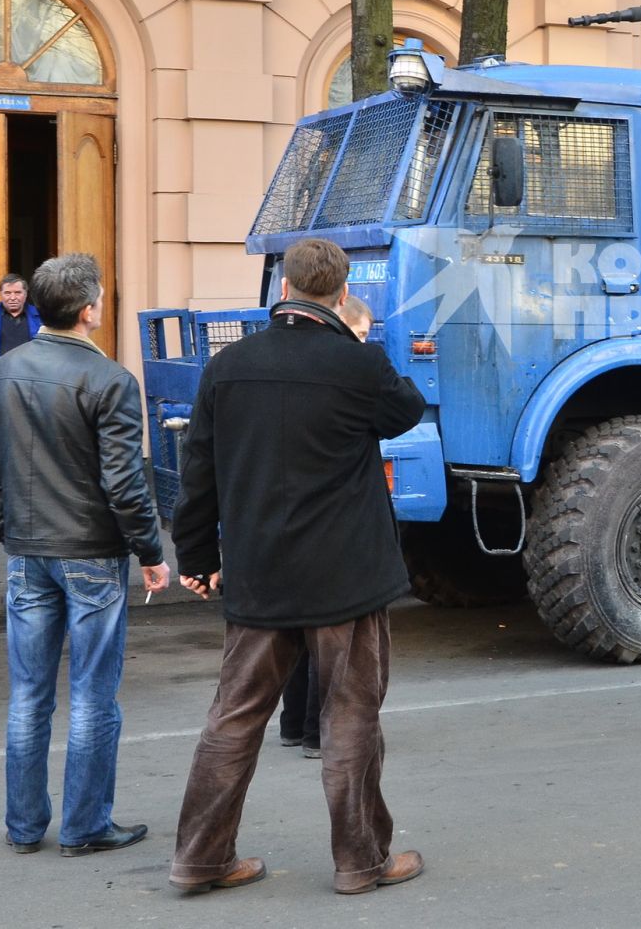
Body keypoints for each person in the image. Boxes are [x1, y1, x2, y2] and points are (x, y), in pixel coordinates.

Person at [169, 241, 426, 897]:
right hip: (346, 577)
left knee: (233, 718)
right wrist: (357, 344)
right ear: (341, 294)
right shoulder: (356, 362)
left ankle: (200, 857)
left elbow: (198, 471)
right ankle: (361, 861)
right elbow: (405, 407)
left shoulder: (229, 366)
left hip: (260, 573)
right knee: (351, 718)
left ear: (282, 287)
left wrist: (196, 557)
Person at [0, 252, 171, 856]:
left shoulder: (3, 371)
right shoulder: (110, 380)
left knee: (28, 695)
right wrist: (151, 551)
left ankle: (24, 826)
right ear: (89, 310)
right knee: (92, 695)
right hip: (89, 550)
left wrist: (11, 531)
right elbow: (123, 482)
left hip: (29, 550)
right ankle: (85, 826)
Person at [279, 295, 373, 762]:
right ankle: (317, 732)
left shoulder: (292, 374)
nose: (364, 344)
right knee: (328, 642)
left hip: (287, 524)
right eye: (360, 335)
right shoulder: (347, 373)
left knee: (297, 634)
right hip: (328, 528)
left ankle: (293, 724)